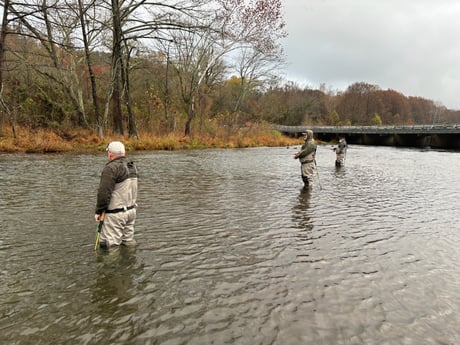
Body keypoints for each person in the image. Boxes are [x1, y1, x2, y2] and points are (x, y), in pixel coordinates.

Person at [95, 141, 138, 249]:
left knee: (110, 247)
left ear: (110, 154)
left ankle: (112, 266)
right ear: (123, 153)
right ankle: (130, 264)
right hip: (131, 212)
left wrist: (99, 211)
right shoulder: (132, 166)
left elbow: (104, 192)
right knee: (128, 243)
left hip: (115, 215)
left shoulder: (110, 168)